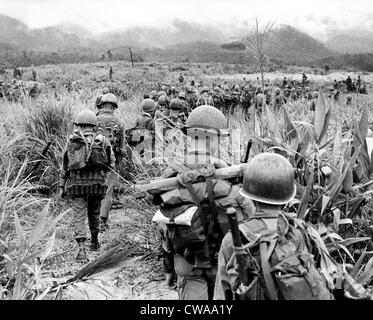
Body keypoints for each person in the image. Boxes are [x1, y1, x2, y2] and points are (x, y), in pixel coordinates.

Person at [151, 105, 255, 300]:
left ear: (191, 136)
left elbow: (164, 227)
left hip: (187, 265)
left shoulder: (172, 175)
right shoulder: (229, 182)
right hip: (225, 269)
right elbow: (249, 228)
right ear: (211, 138)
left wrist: (168, 269)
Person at [214, 153, 336, 300]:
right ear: (288, 199)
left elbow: (221, 295)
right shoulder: (303, 231)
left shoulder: (233, 239)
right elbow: (334, 276)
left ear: (248, 197)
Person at [59, 110, 115, 261]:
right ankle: (95, 241)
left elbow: (65, 166)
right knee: (94, 213)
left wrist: (61, 186)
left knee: (79, 215)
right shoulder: (103, 140)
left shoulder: (73, 140)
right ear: (94, 126)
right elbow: (111, 164)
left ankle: (82, 250)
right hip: (97, 185)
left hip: (76, 185)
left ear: (79, 125)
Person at [95, 93, 124, 231]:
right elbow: (122, 147)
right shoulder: (118, 122)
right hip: (111, 162)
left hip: (94, 160)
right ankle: (102, 220)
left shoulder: (93, 120)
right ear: (114, 106)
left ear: (102, 105)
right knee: (107, 190)